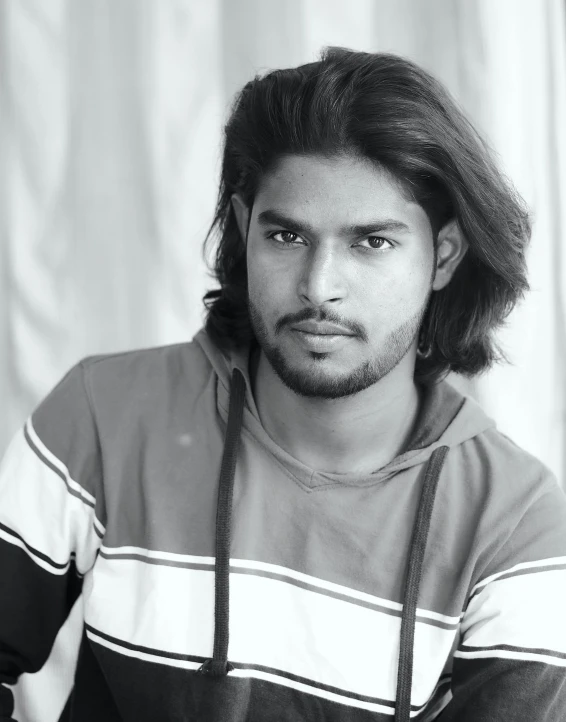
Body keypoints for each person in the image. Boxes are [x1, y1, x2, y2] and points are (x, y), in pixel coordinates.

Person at [1, 46, 565, 722]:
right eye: (288, 237)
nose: (319, 286)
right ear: (244, 229)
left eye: (372, 243)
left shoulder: (513, 521)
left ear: (443, 256)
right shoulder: (106, 414)